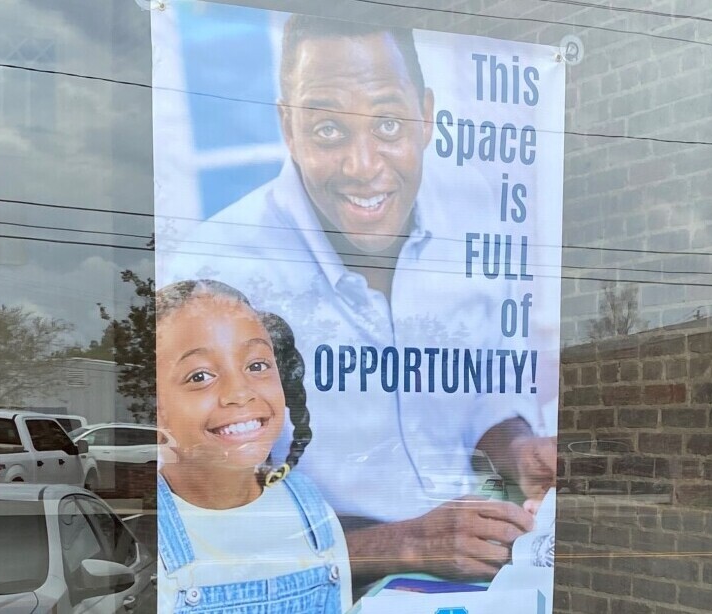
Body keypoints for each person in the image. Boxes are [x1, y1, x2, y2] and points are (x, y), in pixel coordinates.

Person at [160, 14, 557, 583]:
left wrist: (518, 450)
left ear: (426, 115)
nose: (364, 166)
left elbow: (473, 399)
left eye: (389, 124)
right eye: (328, 130)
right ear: (288, 128)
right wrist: (403, 543)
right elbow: (208, 516)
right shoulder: (216, 275)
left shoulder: (471, 224)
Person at [154, 279, 351, 613]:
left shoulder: (311, 512)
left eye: (257, 365)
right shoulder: (151, 535)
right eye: (200, 376)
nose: (240, 392)